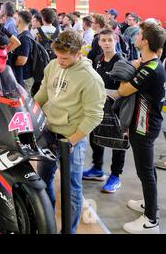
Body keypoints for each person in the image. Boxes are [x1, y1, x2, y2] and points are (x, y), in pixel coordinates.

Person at [35, 30, 106, 234]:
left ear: (78, 54)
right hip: (48, 132)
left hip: (71, 138)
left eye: (65, 58)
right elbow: (43, 93)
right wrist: (29, 110)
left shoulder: (90, 79)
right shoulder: (53, 65)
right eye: (57, 56)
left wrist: (72, 141)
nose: (60, 61)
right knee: (43, 180)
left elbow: (94, 116)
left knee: (72, 189)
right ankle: (47, 223)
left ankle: (69, 231)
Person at [118, 23, 166, 234]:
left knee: (145, 171)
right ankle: (150, 205)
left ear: (145, 41)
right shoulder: (151, 64)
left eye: (139, 34)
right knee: (147, 170)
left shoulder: (149, 69)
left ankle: (151, 221)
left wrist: (132, 69)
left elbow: (123, 90)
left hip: (144, 127)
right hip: (145, 124)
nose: (136, 37)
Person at [83, 29, 126, 193]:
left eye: (110, 40)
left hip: (116, 106)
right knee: (95, 136)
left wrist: (111, 98)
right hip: (98, 104)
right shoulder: (98, 59)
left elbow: (124, 88)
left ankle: (115, 176)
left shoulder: (120, 61)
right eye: (104, 40)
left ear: (115, 41)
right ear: (99, 42)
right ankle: (97, 168)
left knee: (118, 141)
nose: (107, 43)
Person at [10, 11, 34, 92]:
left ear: (19, 21)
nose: (14, 20)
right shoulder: (25, 35)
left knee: (24, 101)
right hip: (23, 75)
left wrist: (11, 62)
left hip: (24, 77)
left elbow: (22, 61)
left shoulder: (24, 38)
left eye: (16, 18)